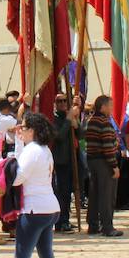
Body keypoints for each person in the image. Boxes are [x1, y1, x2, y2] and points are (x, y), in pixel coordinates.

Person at [0, 112, 60, 258]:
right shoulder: (44, 150)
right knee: (46, 254)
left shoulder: (32, 151)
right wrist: (18, 142)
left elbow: (16, 178)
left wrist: (0, 162)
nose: (20, 130)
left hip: (34, 208)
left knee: (22, 255)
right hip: (49, 206)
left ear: (32, 130)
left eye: (23, 128)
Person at [83, 95, 120, 237]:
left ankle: (93, 224)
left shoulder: (91, 120)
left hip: (92, 160)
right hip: (103, 161)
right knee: (106, 195)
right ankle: (107, 227)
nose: (112, 108)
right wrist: (114, 165)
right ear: (103, 107)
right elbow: (107, 145)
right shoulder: (103, 122)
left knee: (95, 194)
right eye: (110, 105)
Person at [50, 93, 80, 231]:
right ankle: (60, 221)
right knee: (61, 193)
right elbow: (60, 136)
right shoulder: (53, 119)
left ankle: (66, 219)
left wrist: (76, 122)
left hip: (71, 160)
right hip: (59, 161)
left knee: (68, 193)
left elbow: (81, 135)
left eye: (64, 101)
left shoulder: (68, 116)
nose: (62, 103)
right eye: (59, 101)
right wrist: (69, 120)